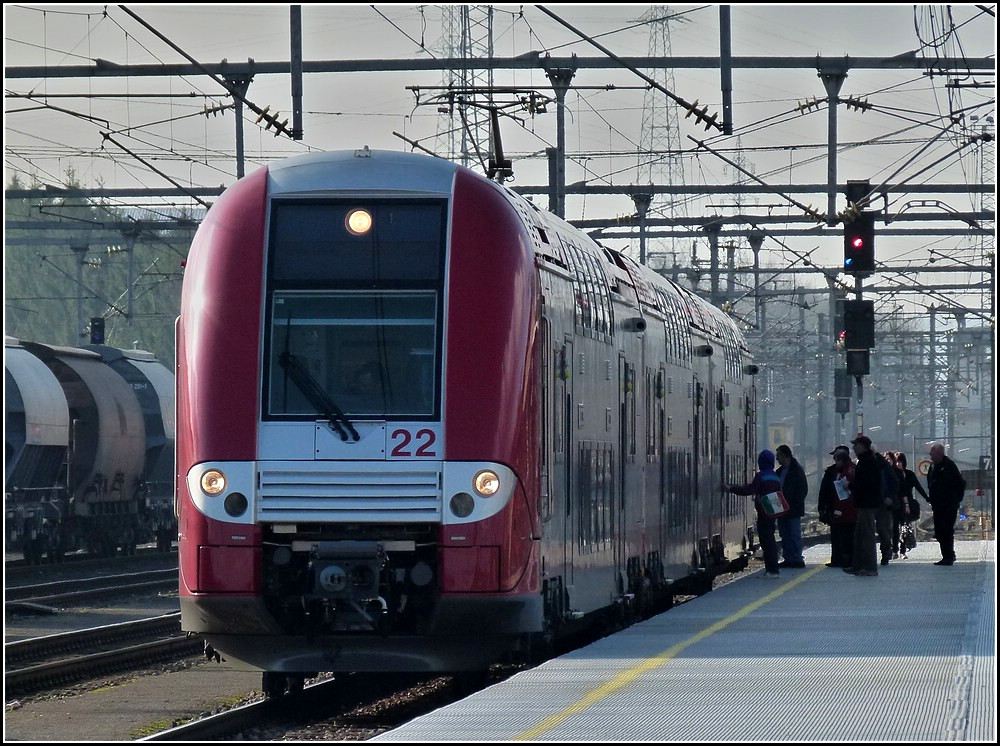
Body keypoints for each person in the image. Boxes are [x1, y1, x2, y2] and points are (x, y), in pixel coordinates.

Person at [725, 449, 783, 578]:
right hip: (772, 512)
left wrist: (731, 488)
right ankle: (773, 569)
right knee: (770, 540)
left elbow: (749, 490)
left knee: (766, 542)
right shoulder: (775, 476)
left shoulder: (761, 476)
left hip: (763, 512)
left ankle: (772, 570)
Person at [844, 435, 881, 577]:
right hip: (863, 503)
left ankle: (870, 567)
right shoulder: (865, 461)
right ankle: (858, 566)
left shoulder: (869, 462)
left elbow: (866, 483)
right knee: (859, 536)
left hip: (868, 503)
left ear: (863, 446)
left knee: (867, 536)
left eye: (856, 445)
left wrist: (851, 484)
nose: (853, 448)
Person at [926, 442, 966, 566]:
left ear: (939, 454)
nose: (930, 456)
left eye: (932, 453)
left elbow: (961, 483)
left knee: (947, 530)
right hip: (937, 505)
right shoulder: (933, 467)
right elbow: (931, 483)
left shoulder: (949, 466)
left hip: (949, 505)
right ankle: (948, 554)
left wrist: (957, 499)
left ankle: (948, 556)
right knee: (939, 531)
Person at [817, 445, 857, 568]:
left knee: (846, 536)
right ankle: (838, 559)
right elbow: (825, 490)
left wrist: (838, 510)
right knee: (837, 535)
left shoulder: (849, 472)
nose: (834, 461)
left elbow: (845, 496)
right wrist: (822, 507)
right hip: (838, 508)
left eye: (836, 458)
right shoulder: (833, 471)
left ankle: (846, 559)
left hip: (845, 510)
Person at [774, 444, 807, 568]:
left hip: (793, 509)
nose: (777, 459)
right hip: (781, 509)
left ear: (785, 456)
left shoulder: (797, 470)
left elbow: (803, 489)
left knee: (794, 533)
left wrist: (794, 503)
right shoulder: (780, 471)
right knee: (784, 534)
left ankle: (797, 558)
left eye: (778, 456)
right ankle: (788, 558)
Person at [892, 452, 928, 559]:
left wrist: (927, 498)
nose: (898, 464)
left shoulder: (909, 474)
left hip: (907, 504)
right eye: (897, 461)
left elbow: (918, 487)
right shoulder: (892, 473)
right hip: (896, 503)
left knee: (905, 527)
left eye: (900, 461)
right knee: (894, 528)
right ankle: (894, 550)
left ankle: (903, 551)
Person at [873, 449, 902, 566]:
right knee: (866, 530)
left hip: (882, 502)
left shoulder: (884, 465)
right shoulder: (861, 463)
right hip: (867, 502)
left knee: (883, 529)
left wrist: (889, 496)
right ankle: (866, 557)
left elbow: (894, 482)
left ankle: (886, 551)